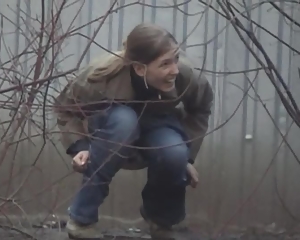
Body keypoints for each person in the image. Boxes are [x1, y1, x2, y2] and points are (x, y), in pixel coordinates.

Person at [53, 23, 213, 239]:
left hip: (157, 123)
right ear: (140, 68)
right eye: (165, 64)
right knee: (124, 121)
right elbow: (65, 108)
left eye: (175, 58)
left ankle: (161, 220)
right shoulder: (100, 77)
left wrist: (187, 156)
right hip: (114, 127)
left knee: (174, 152)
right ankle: (82, 220)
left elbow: (201, 108)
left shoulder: (185, 76)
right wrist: (79, 146)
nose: (174, 69)